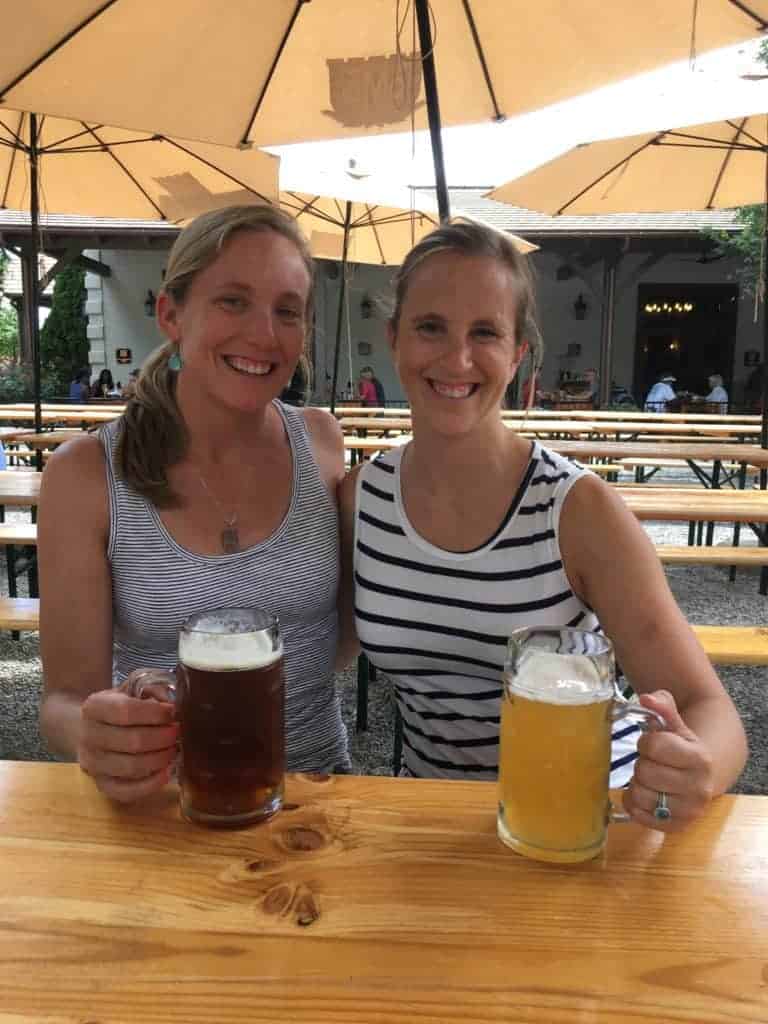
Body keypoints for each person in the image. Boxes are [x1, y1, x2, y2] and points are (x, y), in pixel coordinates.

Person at [339, 218, 747, 834]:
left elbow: (710, 708)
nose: (458, 358)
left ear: (517, 354)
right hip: (435, 814)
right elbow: (320, 648)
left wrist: (698, 769)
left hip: (580, 813)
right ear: (394, 338)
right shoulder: (362, 496)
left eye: (485, 332)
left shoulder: (578, 510)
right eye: (431, 327)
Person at [38, 204, 353, 805]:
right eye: (232, 301)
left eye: (287, 310)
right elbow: (60, 702)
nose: (264, 333)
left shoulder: (321, 441)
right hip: (165, 804)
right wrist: (96, 731)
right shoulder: (85, 473)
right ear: (171, 315)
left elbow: (340, 643)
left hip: (321, 796)